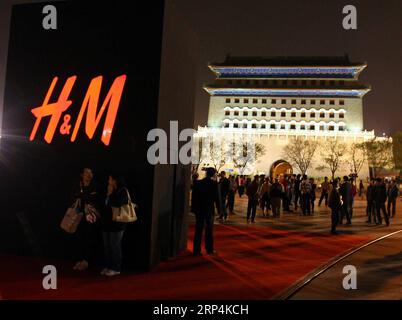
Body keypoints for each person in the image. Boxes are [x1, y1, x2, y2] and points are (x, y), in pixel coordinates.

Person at [72, 168, 101, 271]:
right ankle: (80, 259)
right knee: (79, 237)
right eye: (87, 173)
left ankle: (86, 261)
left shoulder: (95, 186)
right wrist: (82, 196)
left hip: (90, 216)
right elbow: (75, 197)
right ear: (82, 175)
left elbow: (92, 198)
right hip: (79, 216)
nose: (89, 175)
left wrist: (82, 196)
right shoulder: (78, 185)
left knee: (89, 237)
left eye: (91, 173)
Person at [101, 173, 130, 276]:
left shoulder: (122, 191)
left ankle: (116, 268)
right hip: (107, 223)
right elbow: (105, 205)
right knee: (107, 246)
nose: (108, 181)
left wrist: (111, 194)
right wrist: (108, 194)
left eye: (110, 179)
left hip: (118, 224)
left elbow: (117, 204)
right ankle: (108, 266)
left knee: (115, 246)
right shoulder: (110, 190)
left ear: (115, 180)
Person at [191, 167, 220, 256]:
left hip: (199, 210)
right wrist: (219, 210)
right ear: (213, 174)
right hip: (209, 210)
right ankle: (209, 249)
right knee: (209, 230)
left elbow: (194, 198)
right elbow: (217, 198)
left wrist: (194, 209)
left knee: (198, 230)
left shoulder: (198, 183)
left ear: (206, 173)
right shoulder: (214, 184)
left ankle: (196, 250)